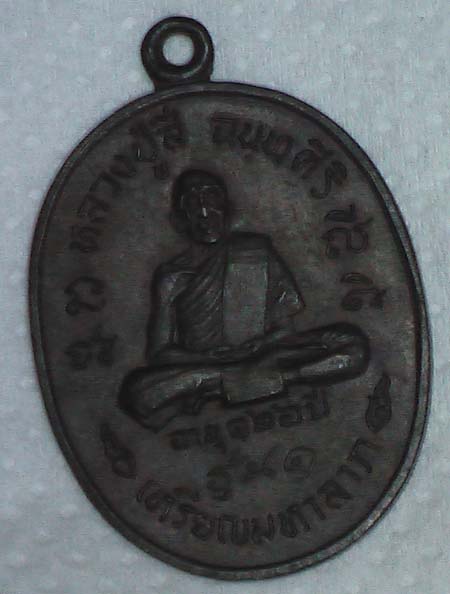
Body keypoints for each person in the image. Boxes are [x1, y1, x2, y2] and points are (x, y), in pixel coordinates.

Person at [119, 169, 369, 430]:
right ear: (180, 218)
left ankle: (246, 384)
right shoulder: (171, 277)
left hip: (263, 356)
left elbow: (285, 329)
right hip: (207, 365)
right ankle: (258, 382)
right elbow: (160, 353)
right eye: (193, 204)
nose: (204, 213)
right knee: (137, 393)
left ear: (227, 208)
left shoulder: (255, 251)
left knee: (352, 345)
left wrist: (258, 346)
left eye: (212, 200)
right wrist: (212, 359)